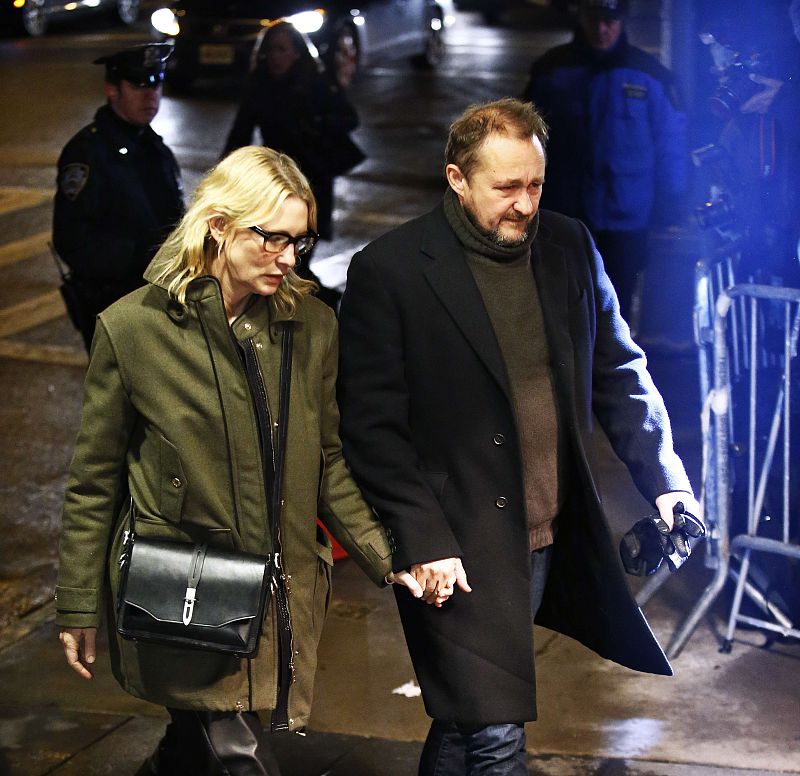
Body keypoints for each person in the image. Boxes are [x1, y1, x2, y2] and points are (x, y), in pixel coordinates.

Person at [336, 98, 701, 775]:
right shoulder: (390, 271)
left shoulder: (570, 246)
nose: (525, 204)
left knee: (464, 717)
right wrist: (425, 540)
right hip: (457, 547)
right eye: (506, 187)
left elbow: (620, 373)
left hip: (548, 534)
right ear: (456, 179)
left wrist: (668, 481)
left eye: (535, 184)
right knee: (496, 735)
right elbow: (370, 428)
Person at [54, 146, 422, 775]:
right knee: (233, 752)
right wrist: (79, 605)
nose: (287, 257)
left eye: (299, 242)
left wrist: (388, 557)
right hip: (181, 593)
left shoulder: (310, 328)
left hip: (276, 588)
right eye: (271, 238)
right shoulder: (133, 331)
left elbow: (326, 462)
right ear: (219, 225)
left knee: (194, 747)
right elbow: (94, 485)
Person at [521, 0, 687, 326]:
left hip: (627, 216)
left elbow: (671, 144)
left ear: (622, 21)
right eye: (594, 19)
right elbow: (525, 140)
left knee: (617, 305)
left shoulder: (650, 76)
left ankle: (610, 373)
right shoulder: (552, 70)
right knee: (564, 303)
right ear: (581, 17)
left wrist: (672, 199)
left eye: (609, 21)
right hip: (567, 211)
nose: (601, 29)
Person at [223, 21, 365, 309]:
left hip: (313, 177)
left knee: (299, 253)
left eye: (282, 50)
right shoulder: (259, 86)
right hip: (276, 183)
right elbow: (240, 132)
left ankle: (316, 306)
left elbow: (349, 118)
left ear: (296, 53)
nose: (275, 57)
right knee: (281, 253)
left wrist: (317, 123)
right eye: (270, 51)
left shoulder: (316, 82)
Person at [53, 42, 185, 351]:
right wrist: (140, 259)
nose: (150, 94)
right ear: (112, 90)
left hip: (157, 302)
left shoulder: (154, 146)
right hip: (115, 307)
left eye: (156, 83)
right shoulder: (88, 153)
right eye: (139, 84)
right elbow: (71, 238)